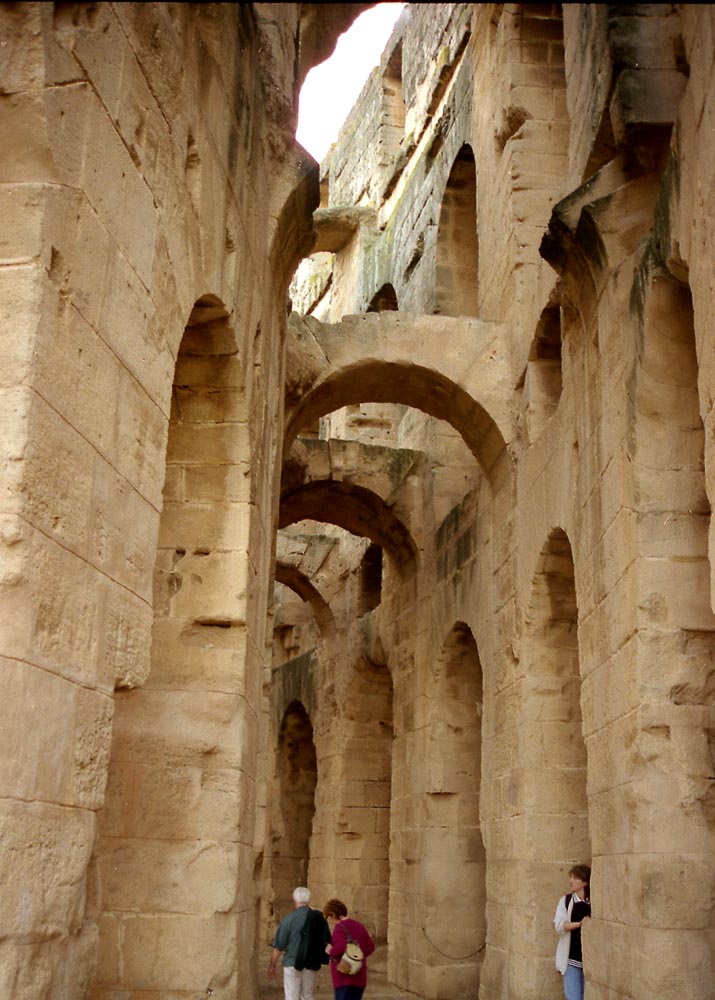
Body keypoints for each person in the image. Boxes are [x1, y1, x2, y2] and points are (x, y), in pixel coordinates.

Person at [268, 887, 331, 1000]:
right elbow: (326, 940)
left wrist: (272, 965)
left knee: (291, 997)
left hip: (292, 962)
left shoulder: (288, 920)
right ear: (309, 901)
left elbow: (278, 947)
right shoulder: (318, 918)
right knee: (307, 995)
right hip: (310, 962)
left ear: (294, 901)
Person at [323, 898, 375, 1000]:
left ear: (333, 915)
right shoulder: (359, 926)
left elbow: (340, 948)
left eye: (328, 917)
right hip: (359, 976)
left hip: (344, 977)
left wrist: (330, 951)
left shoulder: (339, 928)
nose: (329, 920)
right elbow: (370, 947)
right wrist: (356, 957)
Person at [554, 864, 592, 1000]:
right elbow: (558, 925)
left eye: (575, 878)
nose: (571, 881)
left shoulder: (592, 902)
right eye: (570, 877)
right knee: (574, 997)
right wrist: (579, 924)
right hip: (572, 959)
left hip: (589, 959)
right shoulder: (566, 901)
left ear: (585, 882)